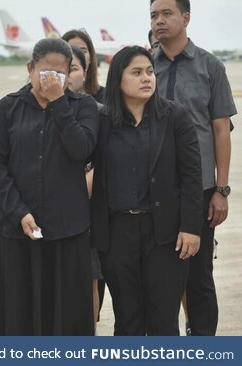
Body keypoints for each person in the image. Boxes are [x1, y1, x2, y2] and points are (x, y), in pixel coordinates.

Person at [0, 38, 98, 336]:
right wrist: (19, 212)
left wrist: (59, 102)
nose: (53, 78)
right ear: (30, 68)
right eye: (46, 71)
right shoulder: (8, 107)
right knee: (19, 312)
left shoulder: (82, 106)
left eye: (62, 72)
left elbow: (81, 149)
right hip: (16, 229)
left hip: (66, 230)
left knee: (65, 313)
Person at [90, 45, 203, 335]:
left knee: (163, 318)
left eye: (150, 72)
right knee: (127, 318)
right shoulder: (101, 122)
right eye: (137, 72)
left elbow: (192, 176)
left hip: (164, 234)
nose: (147, 78)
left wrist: (191, 227)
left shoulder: (175, 117)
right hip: (117, 234)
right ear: (118, 79)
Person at [150, 0, 237, 336]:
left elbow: (220, 131)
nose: (159, 21)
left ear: (186, 18)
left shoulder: (210, 67)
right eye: (154, 15)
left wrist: (221, 190)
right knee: (160, 280)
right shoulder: (145, 67)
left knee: (199, 278)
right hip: (153, 191)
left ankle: (204, 347)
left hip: (199, 191)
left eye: (166, 14)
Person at [67, 45, 103, 332]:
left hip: (88, 212)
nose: (65, 75)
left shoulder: (95, 111)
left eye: (73, 68)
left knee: (88, 282)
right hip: (48, 214)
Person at [62, 30, 106, 103]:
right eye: (71, 50)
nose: (78, 54)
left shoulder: (104, 96)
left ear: (91, 57)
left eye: (83, 51)